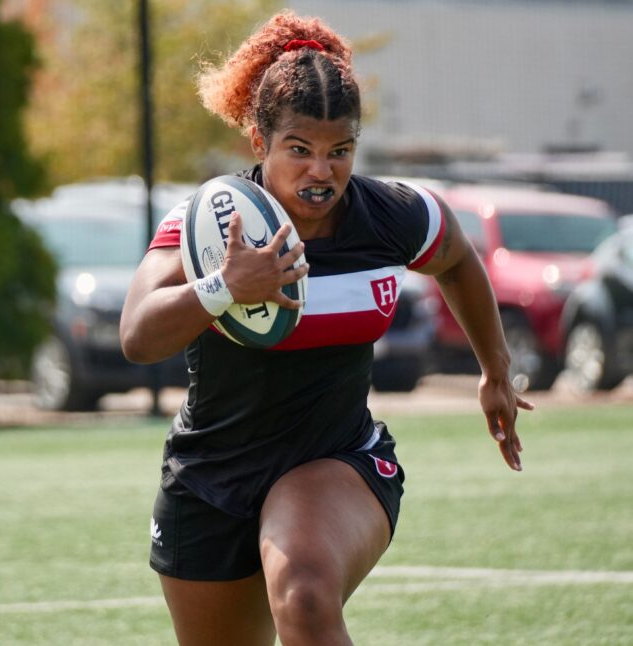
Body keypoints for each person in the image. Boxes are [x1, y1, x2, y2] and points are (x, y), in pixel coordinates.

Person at [120, 9, 533, 646]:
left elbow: (456, 256)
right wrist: (226, 286)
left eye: (340, 152)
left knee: (306, 596)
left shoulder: (388, 214)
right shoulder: (210, 221)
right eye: (300, 150)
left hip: (334, 458)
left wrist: (495, 372)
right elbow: (139, 336)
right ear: (258, 141)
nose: (322, 172)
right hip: (210, 479)